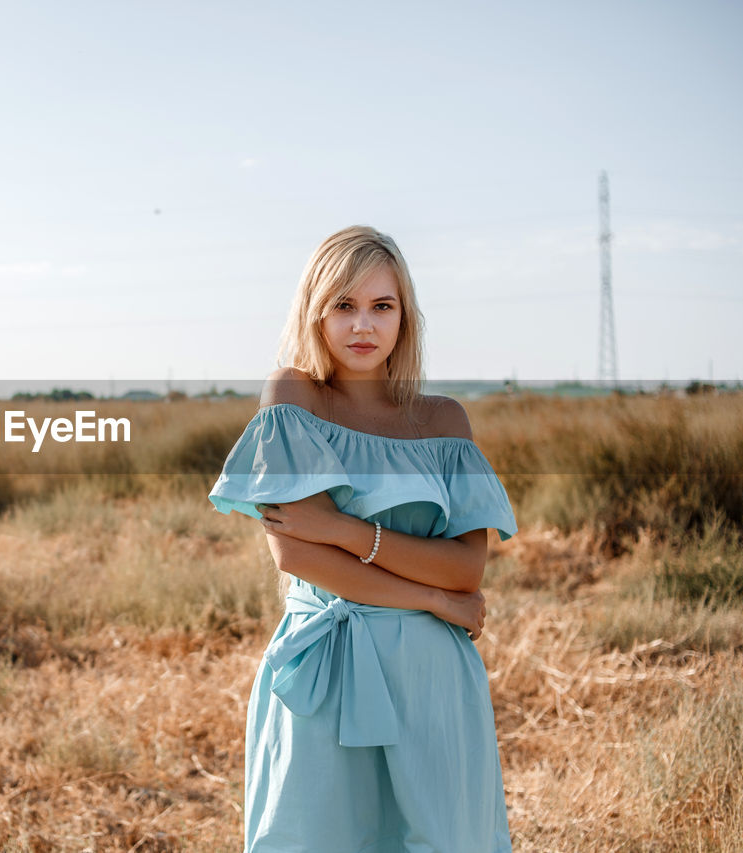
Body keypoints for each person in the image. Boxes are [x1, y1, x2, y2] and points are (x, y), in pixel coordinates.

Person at [208, 225, 517, 852]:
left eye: (382, 306)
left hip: (431, 677)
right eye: (343, 306)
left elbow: (465, 571)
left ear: (405, 316)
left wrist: (345, 530)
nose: (362, 327)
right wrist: (431, 599)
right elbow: (296, 554)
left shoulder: (443, 420)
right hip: (322, 667)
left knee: (439, 840)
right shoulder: (292, 397)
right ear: (315, 313)